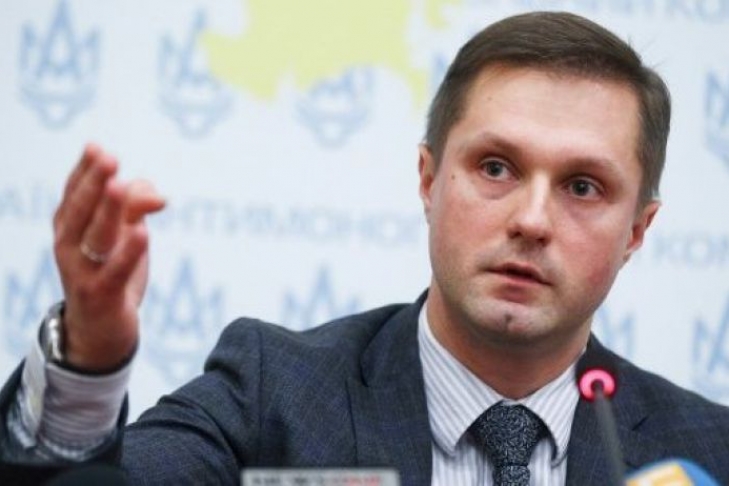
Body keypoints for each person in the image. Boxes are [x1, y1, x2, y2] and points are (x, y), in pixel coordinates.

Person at [2, 10, 729, 486]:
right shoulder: (274, 393)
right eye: (495, 168)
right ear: (428, 180)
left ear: (637, 231)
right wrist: (89, 362)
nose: (532, 220)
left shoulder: (705, 452)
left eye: (582, 186)